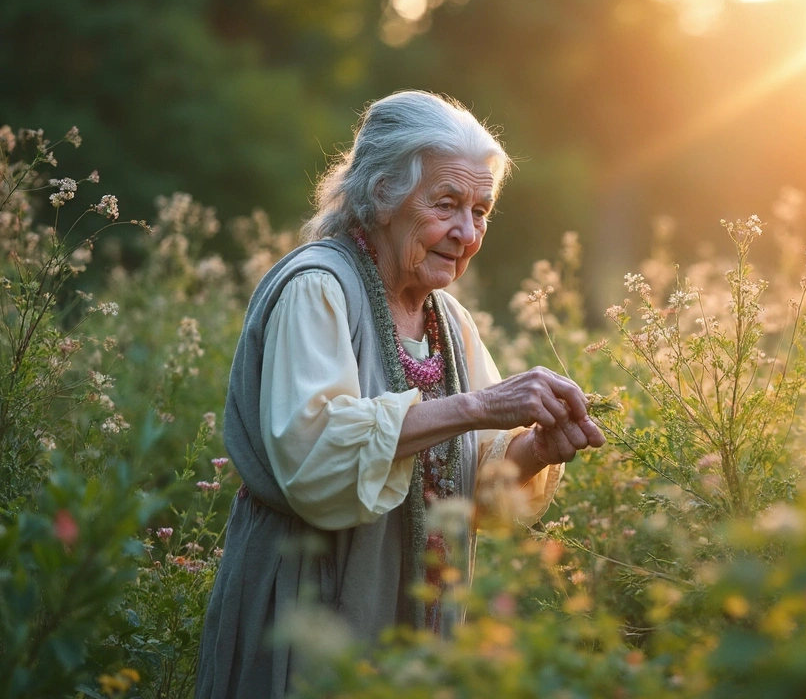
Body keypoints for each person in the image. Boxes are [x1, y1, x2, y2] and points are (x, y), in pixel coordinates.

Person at [195, 91, 605, 698]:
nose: (466, 233)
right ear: (382, 194)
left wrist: (538, 448)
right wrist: (480, 407)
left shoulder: (449, 320)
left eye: (482, 211)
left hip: (418, 605)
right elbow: (314, 452)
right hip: (309, 597)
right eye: (446, 204)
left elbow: (480, 483)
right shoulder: (318, 288)